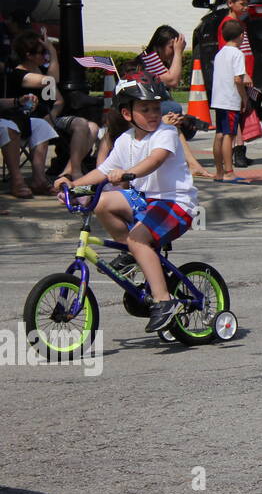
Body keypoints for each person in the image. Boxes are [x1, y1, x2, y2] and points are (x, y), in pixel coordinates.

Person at [53, 78, 199, 334]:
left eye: (156, 108)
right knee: (102, 202)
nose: (154, 114)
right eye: (145, 109)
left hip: (176, 203)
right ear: (127, 113)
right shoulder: (125, 140)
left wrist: (128, 174)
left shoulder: (165, 134)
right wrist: (72, 188)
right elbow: (102, 171)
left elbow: (155, 160)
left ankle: (164, 301)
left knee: (139, 239)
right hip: (146, 200)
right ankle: (132, 252)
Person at [7, 28, 99, 183]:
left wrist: (53, 115)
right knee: (82, 124)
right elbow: (51, 81)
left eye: (46, 52)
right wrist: (53, 52)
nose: (46, 56)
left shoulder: (43, 70)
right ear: (29, 55)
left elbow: (59, 100)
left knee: (93, 127)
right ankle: (75, 172)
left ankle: (68, 171)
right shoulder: (19, 75)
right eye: (42, 52)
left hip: (50, 117)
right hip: (28, 121)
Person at [138, 25, 210, 177]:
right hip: (140, 110)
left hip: (152, 109)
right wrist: (178, 53)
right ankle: (192, 163)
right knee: (174, 109)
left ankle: (189, 163)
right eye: (171, 47)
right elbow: (173, 81)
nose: (174, 50)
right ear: (159, 46)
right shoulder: (148, 60)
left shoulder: (157, 61)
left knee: (184, 122)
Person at [218, 0, 260, 167]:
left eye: (246, 4)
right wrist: (242, 76)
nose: (245, 7)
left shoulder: (239, 23)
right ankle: (237, 153)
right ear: (230, 3)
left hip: (245, 75)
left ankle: (240, 151)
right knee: (237, 113)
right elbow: (228, 53)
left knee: (242, 113)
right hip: (239, 78)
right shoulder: (227, 25)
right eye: (242, 4)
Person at [210, 20, 250, 182]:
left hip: (218, 99)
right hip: (231, 99)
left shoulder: (220, 53)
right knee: (229, 135)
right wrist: (244, 97)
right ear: (241, 36)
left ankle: (219, 171)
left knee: (219, 134)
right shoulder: (238, 54)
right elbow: (238, 79)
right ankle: (228, 171)